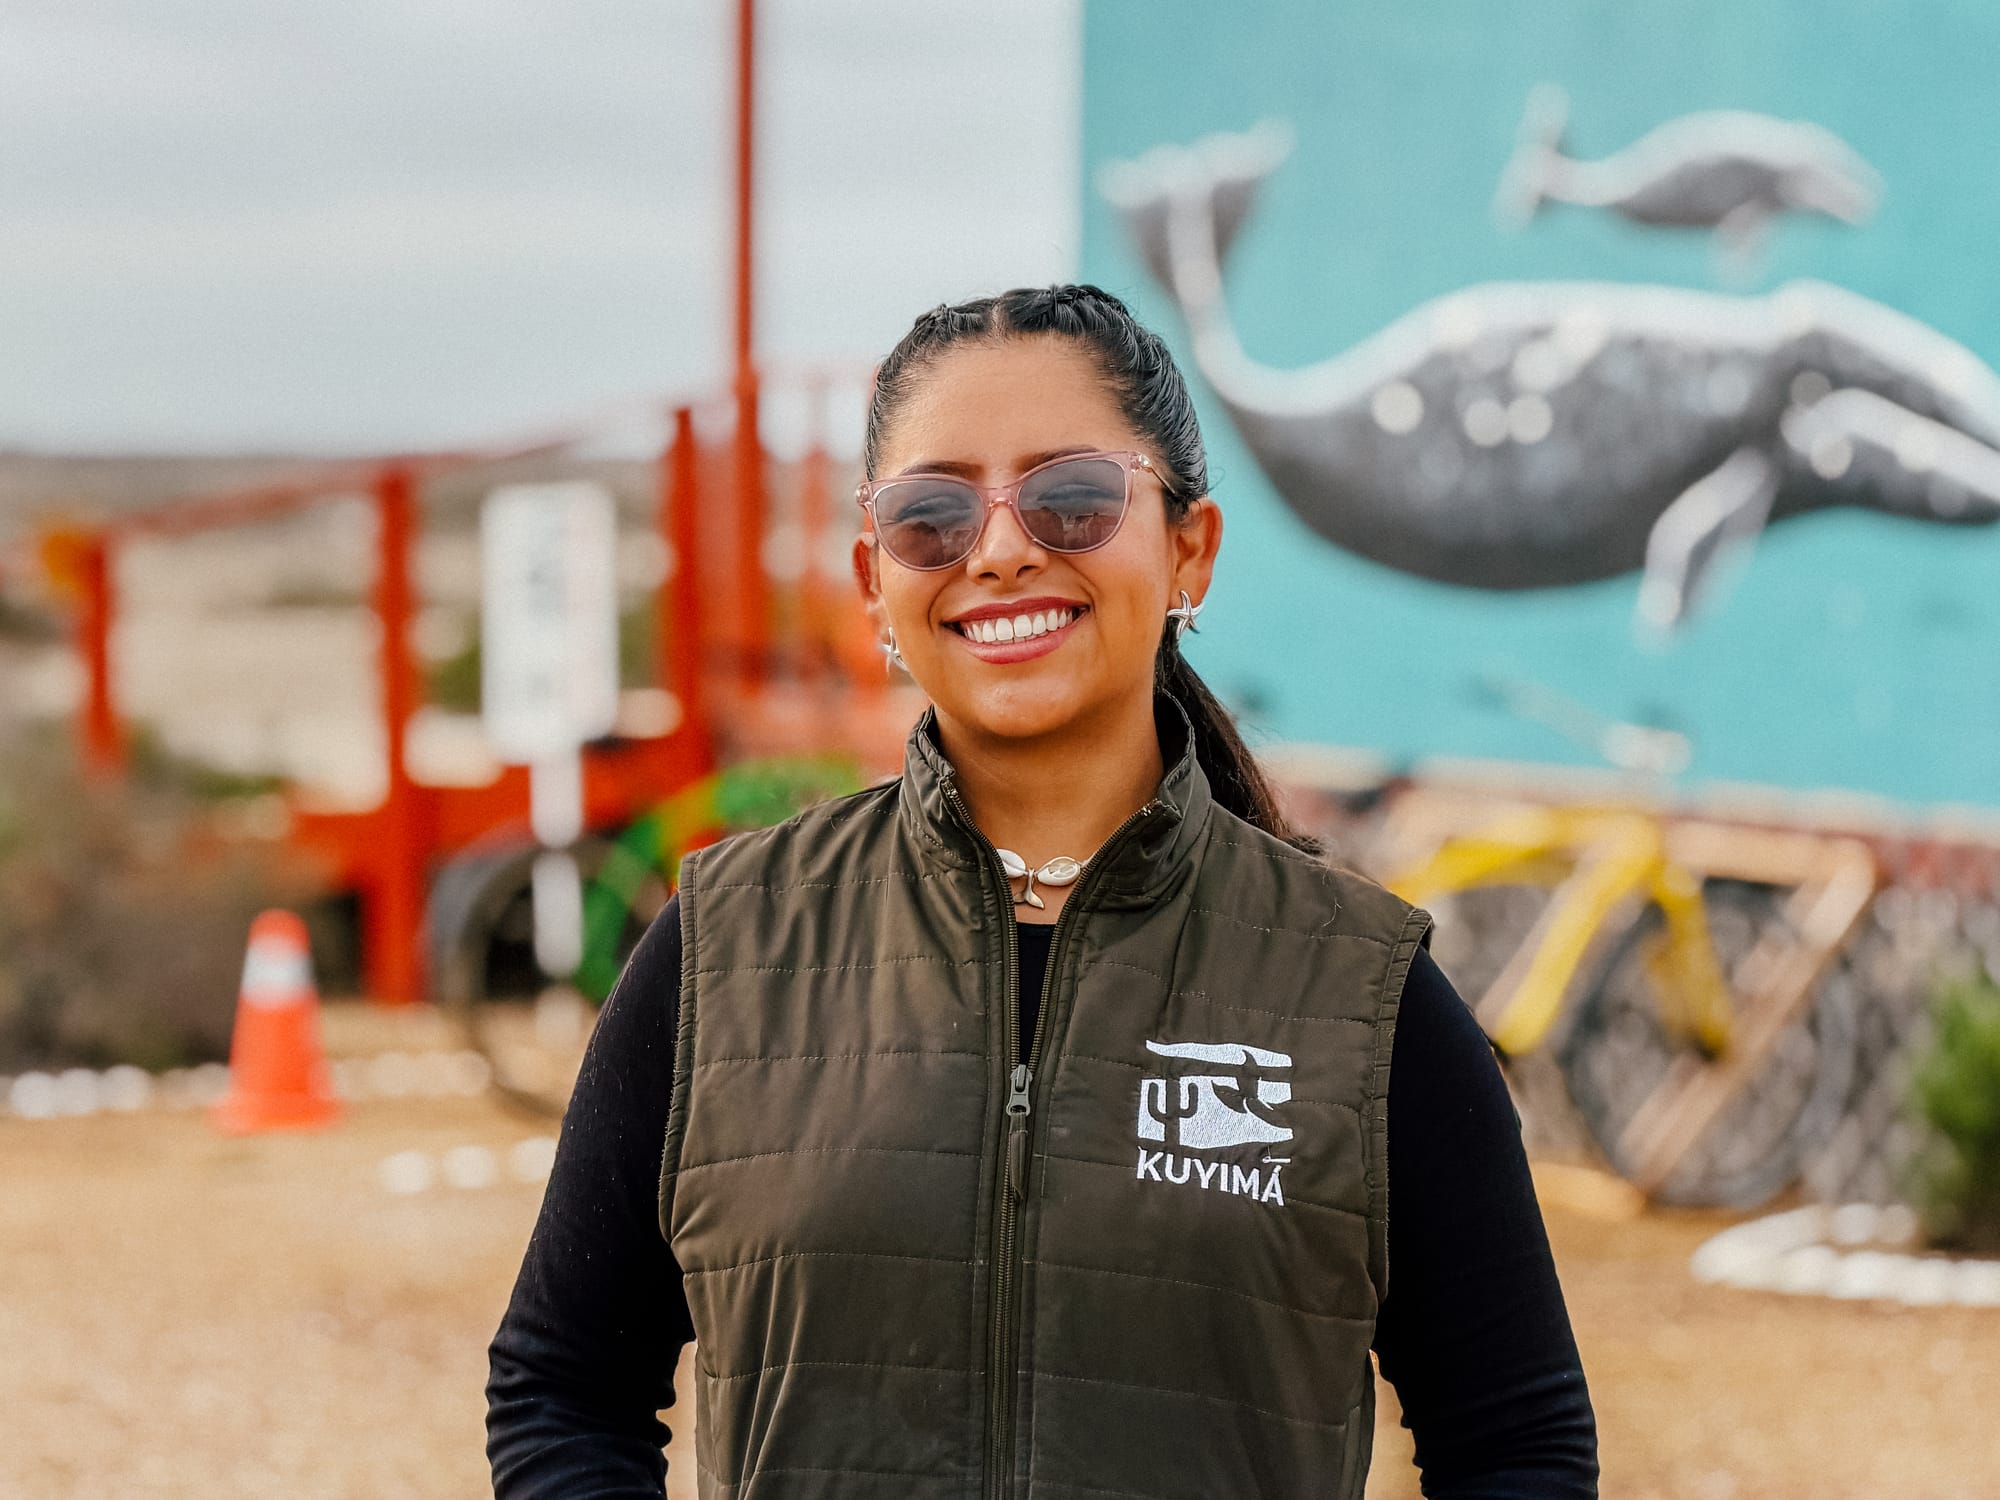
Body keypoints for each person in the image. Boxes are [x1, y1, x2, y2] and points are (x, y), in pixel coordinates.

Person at [487, 284, 1598, 1497]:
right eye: (931, 514)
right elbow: (563, 1389)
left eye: (1070, 498)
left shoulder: (1356, 990)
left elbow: (1516, 1444)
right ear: (873, 578)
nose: (1001, 550)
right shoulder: (726, 951)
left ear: (1187, 549)